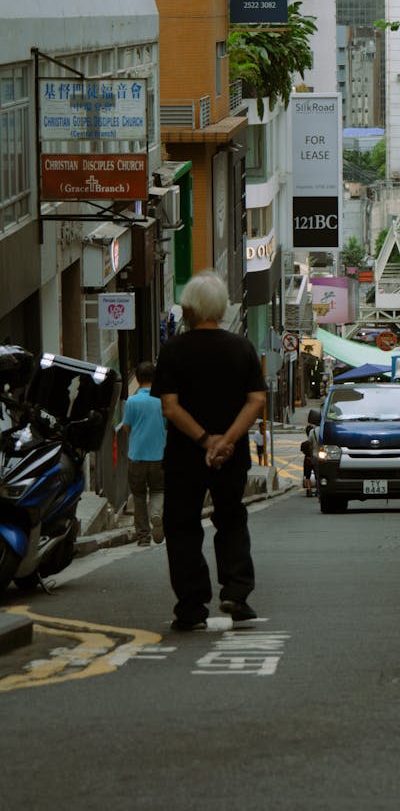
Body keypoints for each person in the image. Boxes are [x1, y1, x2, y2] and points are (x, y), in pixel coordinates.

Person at [151, 270, 266, 631]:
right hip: (231, 456)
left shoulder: (173, 351)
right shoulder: (241, 347)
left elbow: (169, 406)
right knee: (231, 519)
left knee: (182, 525)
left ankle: (191, 605)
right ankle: (235, 592)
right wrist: (226, 441)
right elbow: (256, 399)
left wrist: (204, 440)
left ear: (188, 310)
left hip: (185, 455)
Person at [121, 361, 166, 547]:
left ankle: (143, 537)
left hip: (137, 455)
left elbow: (126, 427)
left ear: (138, 380)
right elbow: (166, 424)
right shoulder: (162, 400)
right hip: (159, 455)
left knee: (138, 495)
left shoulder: (132, 401)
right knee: (158, 490)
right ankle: (156, 513)